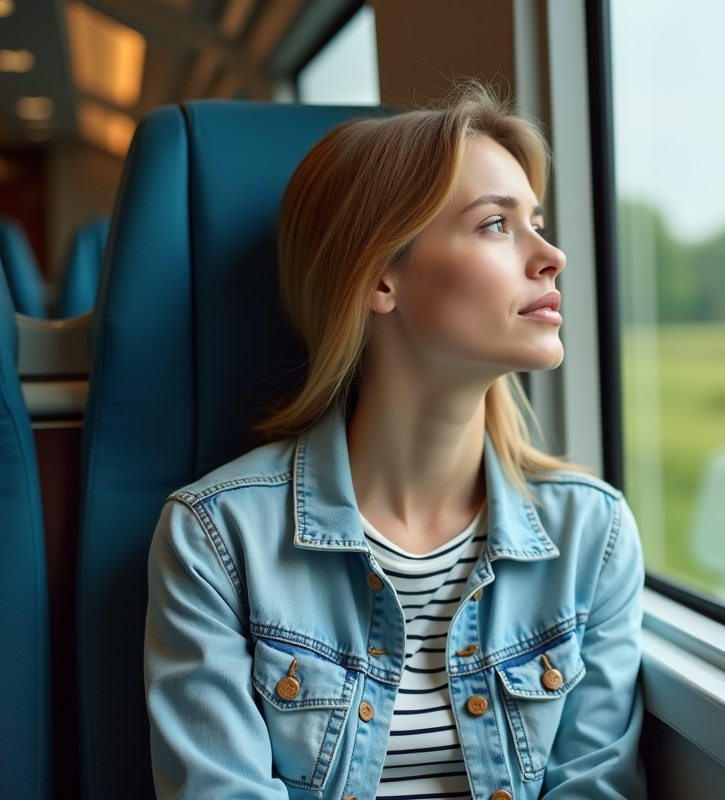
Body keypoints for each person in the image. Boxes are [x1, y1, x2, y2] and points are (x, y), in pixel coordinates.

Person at [143, 85, 646, 800]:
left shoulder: (592, 535)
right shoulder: (217, 539)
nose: (552, 256)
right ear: (382, 277)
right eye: (497, 225)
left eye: (536, 221)